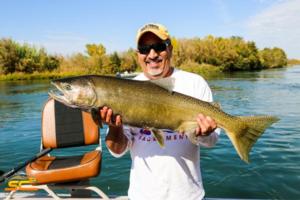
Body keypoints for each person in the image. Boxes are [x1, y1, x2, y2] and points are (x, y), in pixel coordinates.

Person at [101, 23, 220, 200]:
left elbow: (211, 141)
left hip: (189, 196)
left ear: (170, 49)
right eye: (144, 49)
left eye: (158, 47)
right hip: (142, 195)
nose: (152, 54)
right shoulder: (125, 91)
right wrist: (114, 127)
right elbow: (118, 151)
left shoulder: (195, 83)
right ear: (138, 55)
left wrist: (202, 134)